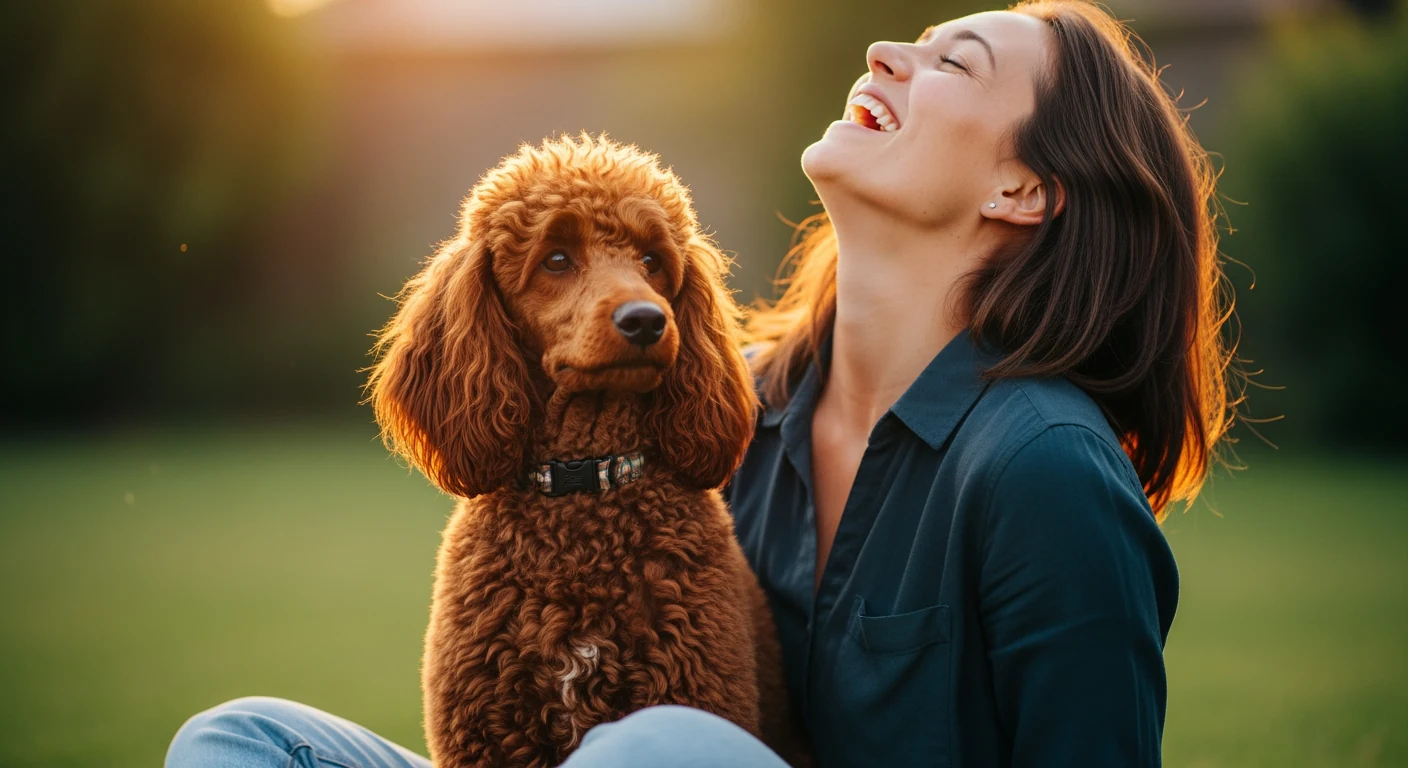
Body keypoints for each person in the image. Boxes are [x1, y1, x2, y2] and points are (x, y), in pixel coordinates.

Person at [165, 2, 1239, 766]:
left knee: (662, 750)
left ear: (1023, 188)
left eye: (952, 61)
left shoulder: (1043, 467)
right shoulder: (744, 407)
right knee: (240, 742)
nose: (886, 50)